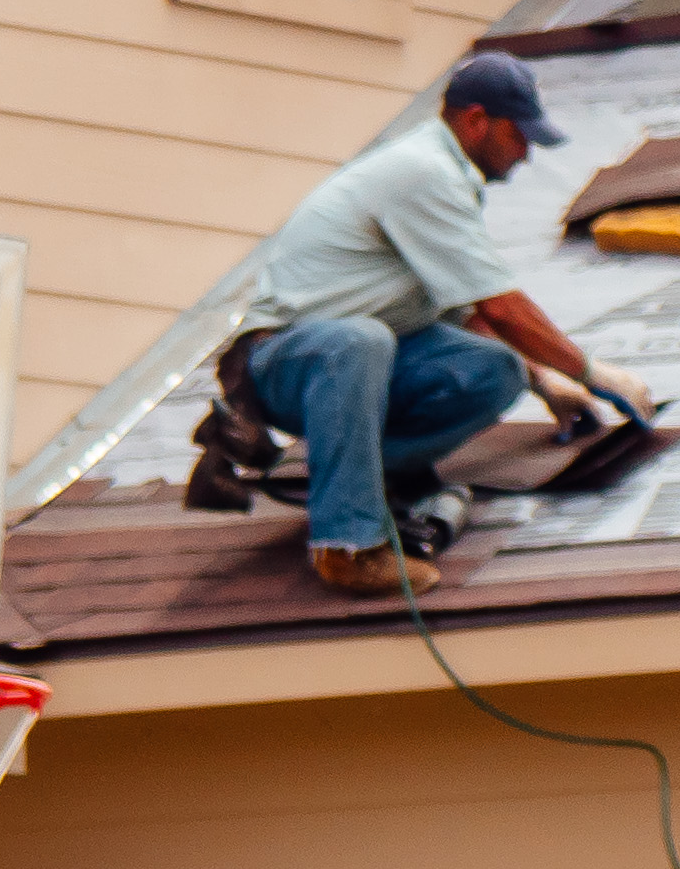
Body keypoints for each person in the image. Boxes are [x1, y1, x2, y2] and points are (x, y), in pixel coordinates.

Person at [218, 50, 653, 596]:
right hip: (284, 364)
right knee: (360, 338)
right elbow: (500, 305)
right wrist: (592, 372)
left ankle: (358, 477)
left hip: (360, 368)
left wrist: (544, 382)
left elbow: (470, 311)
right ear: (476, 120)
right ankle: (347, 544)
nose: (526, 154)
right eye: (519, 136)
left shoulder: (446, 176)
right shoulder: (422, 171)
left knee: (495, 368)